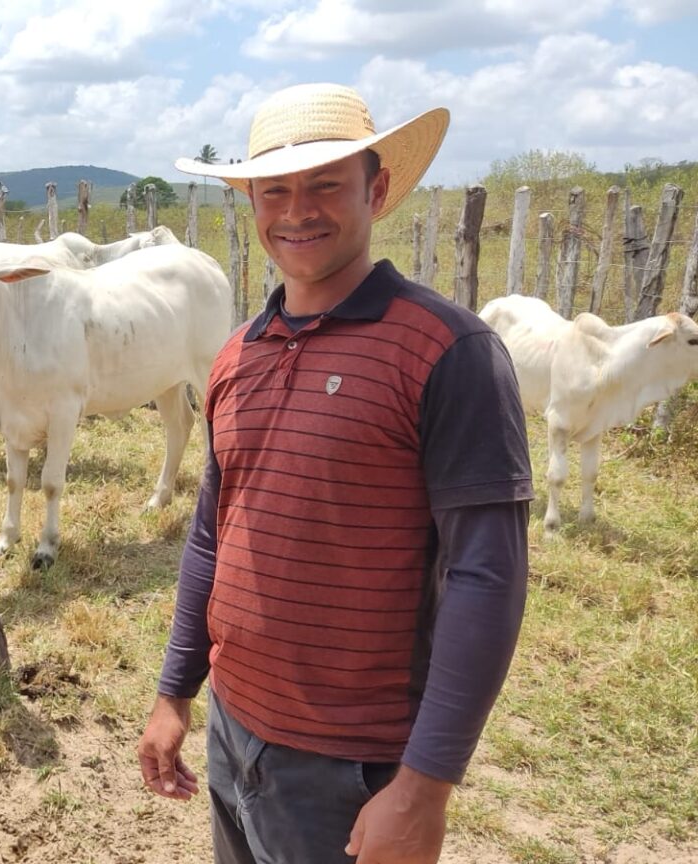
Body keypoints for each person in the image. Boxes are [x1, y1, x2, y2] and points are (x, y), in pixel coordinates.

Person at [136, 82, 533, 864]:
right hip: (234, 731)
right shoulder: (238, 354)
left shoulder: (449, 352)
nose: (298, 212)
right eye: (275, 190)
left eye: (325, 185)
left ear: (375, 192)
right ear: (251, 203)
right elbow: (213, 537)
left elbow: (487, 575)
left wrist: (423, 788)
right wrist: (174, 694)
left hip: (353, 767)